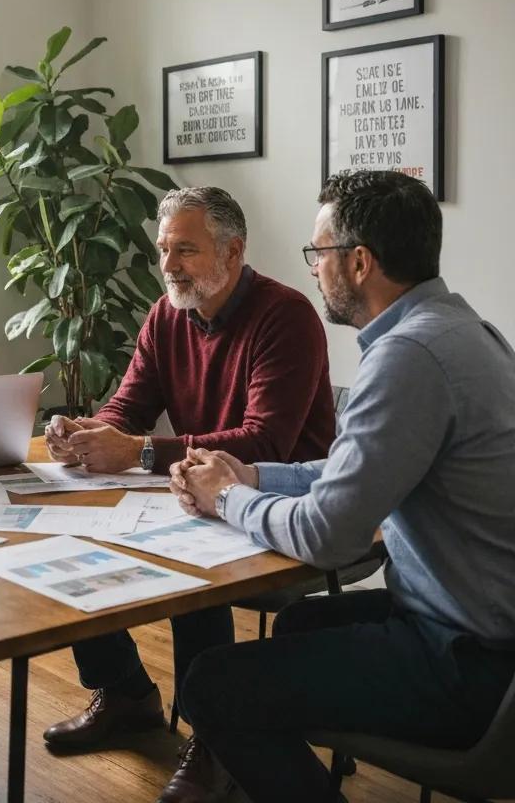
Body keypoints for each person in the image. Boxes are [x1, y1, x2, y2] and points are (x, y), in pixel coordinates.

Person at [164, 170, 515, 803]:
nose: (313, 269)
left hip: (467, 660)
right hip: (479, 626)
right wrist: (251, 475)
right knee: (301, 627)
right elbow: (353, 468)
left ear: (358, 262)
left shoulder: (407, 358)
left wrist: (226, 498)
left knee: (211, 685)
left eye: (318, 253)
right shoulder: (462, 332)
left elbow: (326, 536)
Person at [42, 187, 337, 768]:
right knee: (68, 534)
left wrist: (139, 451)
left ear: (233, 252)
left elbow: (264, 440)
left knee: (190, 578)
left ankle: (217, 735)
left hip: (284, 502)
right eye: (163, 250)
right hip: (194, 491)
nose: (169, 266)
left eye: (186, 250)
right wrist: (86, 431)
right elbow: (128, 408)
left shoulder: (286, 315)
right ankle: (126, 691)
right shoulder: (166, 316)